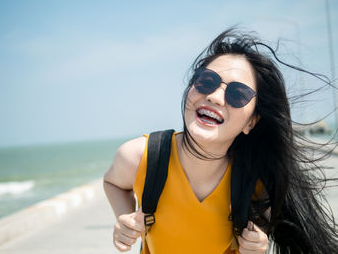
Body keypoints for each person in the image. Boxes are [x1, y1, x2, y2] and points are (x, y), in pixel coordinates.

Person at [103, 28, 338, 254]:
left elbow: (258, 233)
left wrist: (256, 246)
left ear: (251, 122)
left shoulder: (255, 180)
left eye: (238, 94)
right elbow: (113, 183)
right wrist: (125, 221)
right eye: (206, 81)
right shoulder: (139, 157)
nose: (214, 97)